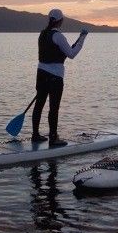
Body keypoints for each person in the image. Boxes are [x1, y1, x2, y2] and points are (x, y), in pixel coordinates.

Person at [31, 8, 88, 147]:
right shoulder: (58, 36)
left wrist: (77, 40)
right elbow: (72, 54)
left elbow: (65, 51)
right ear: (60, 21)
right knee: (53, 107)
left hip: (41, 73)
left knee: (39, 104)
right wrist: (82, 38)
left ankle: (35, 135)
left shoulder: (42, 34)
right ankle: (53, 138)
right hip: (55, 76)